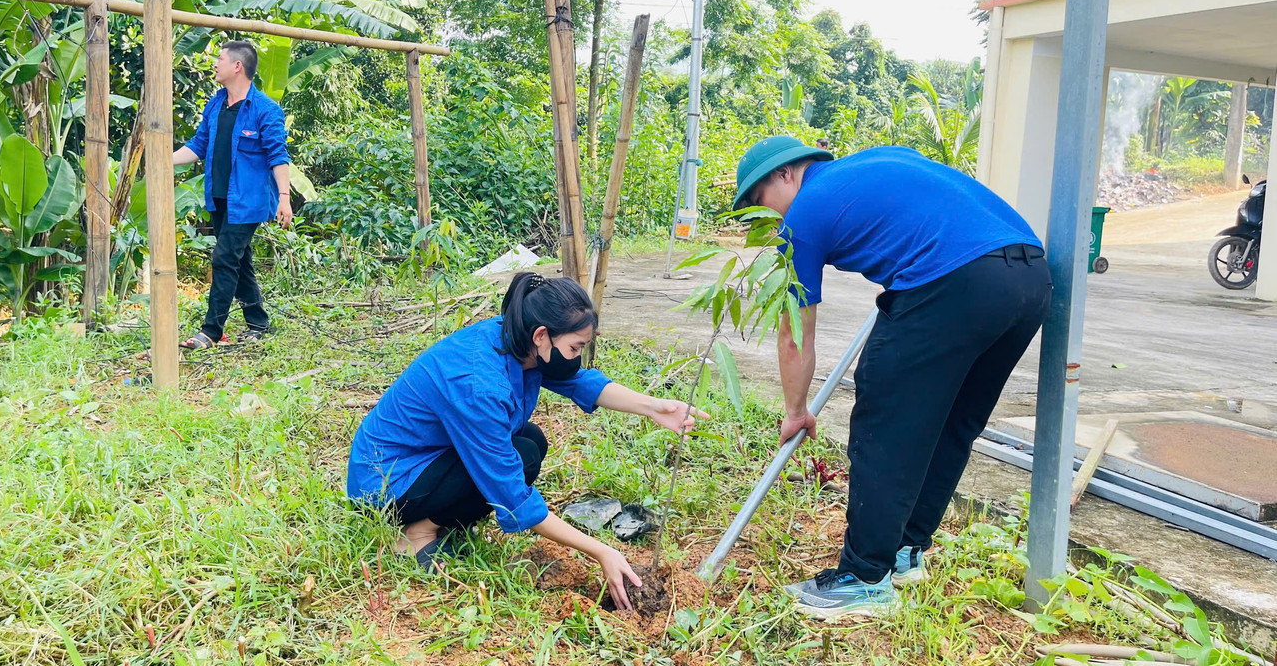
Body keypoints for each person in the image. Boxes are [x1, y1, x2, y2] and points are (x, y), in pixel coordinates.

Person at [730, 135, 1052, 620]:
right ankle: (905, 552)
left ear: (785, 174)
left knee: (885, 421)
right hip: (1030, 277)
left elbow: (794, 334)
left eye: (760, 203)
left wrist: (796, 412)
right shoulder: (883, 159)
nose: (770, 218)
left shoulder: (804, 214)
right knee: (952, 422)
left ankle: (863, 578)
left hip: (955, 282)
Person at [347, 272, 709, 610]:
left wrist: (655, 408)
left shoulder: (515, 342)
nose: (577, 357)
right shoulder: (479, 384)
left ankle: (441, 522)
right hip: (387, 482)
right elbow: (512, 494)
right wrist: (601, 551)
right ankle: (415, 535)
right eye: (574, 347)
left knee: (530, 443)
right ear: (541, 336)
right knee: (517, 457)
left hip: (428, 459)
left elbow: (580, 382)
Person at [172, 40, 294, 350]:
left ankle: (211, 331)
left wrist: (284, 196)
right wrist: (164, 158)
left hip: (248, 201)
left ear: (237, 66)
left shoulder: (265, 109)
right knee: (240, 260)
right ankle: (258, 321)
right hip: (219, 196)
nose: (215, 63)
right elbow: (198, 146)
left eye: (220, 58)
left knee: (224, 258)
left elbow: (278, 155)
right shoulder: (215, 104)